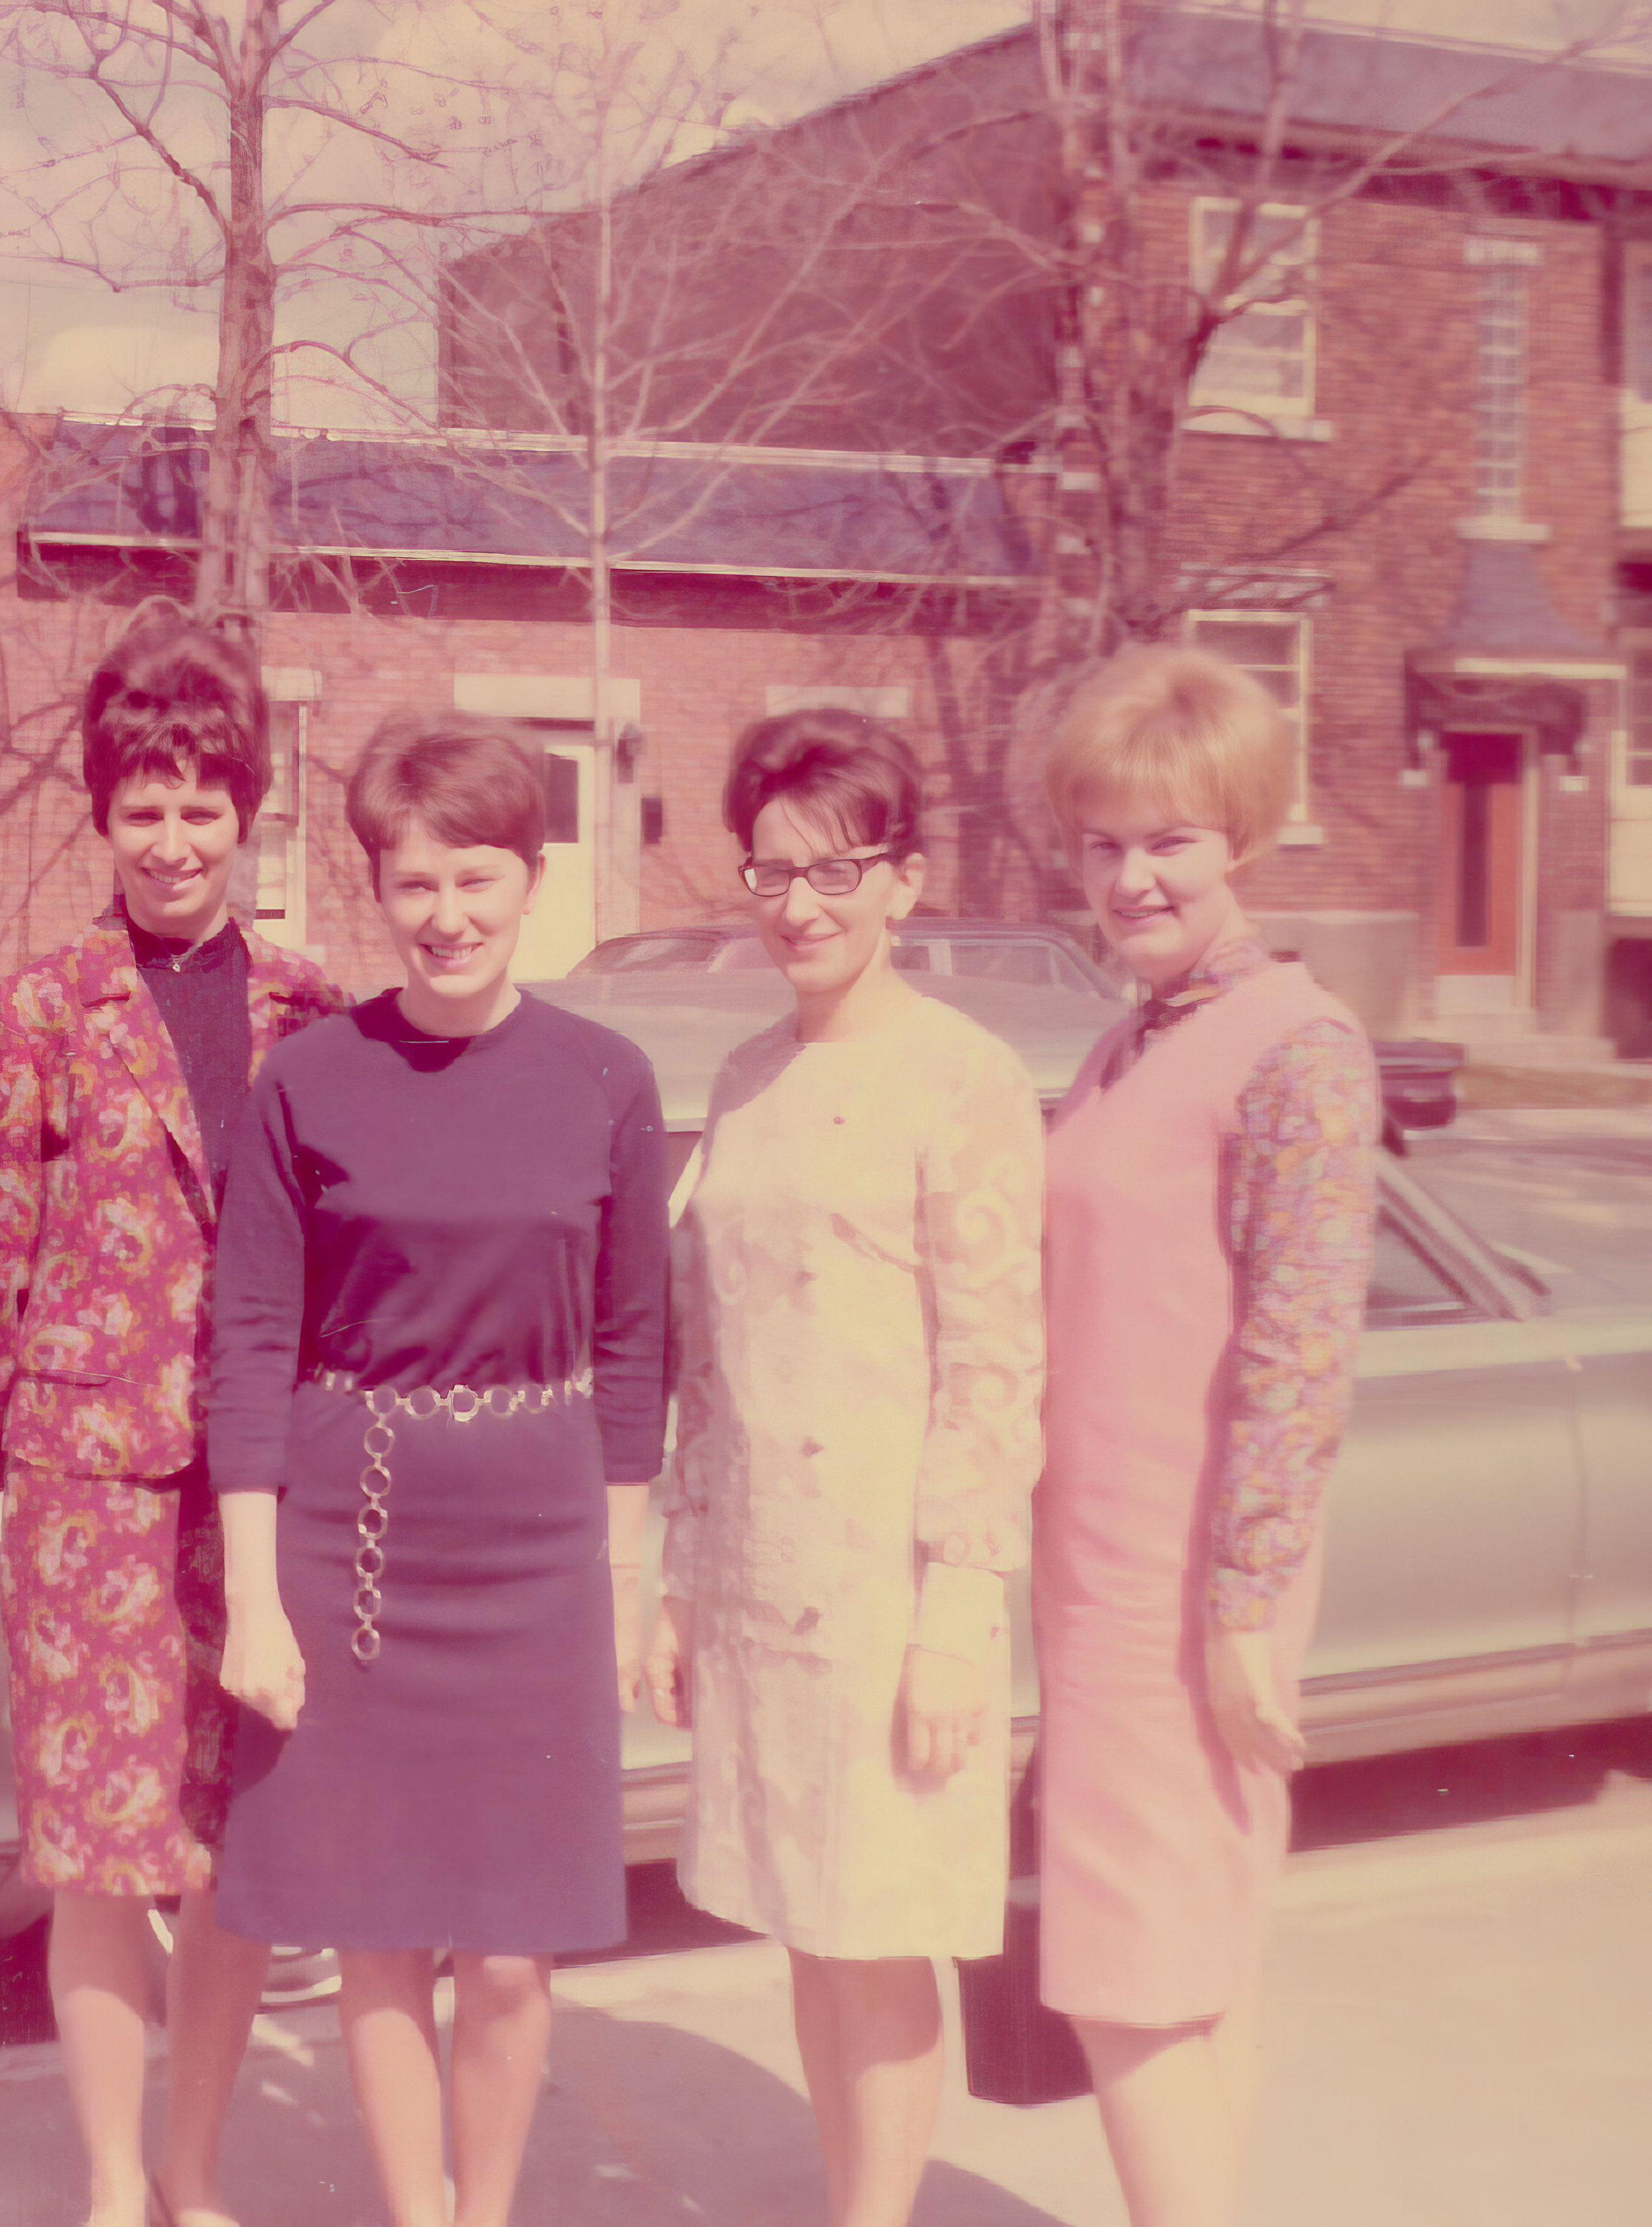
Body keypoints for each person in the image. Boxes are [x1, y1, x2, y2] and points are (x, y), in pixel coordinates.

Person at [203, 714, 671, 2227]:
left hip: (535, 1544)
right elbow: (253, 1341)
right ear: (374, 894)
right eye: (414, 886)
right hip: (355, 1535)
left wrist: (627, 1573)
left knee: (517, 1944)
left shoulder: (605, 1076)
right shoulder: (307, 1081)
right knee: (378, 1929)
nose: (448, 915)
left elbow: (633, 1350)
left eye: (477, 878)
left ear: (530, 877)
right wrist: (258, 1598)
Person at [0, 610, 346, 2227]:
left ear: (246, 811)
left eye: (201, 807)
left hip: (260, 1498)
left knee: (240, 1844)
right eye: (141, 809)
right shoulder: (31, 1020)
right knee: (103, 1855)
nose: (173, 841)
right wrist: (27, 1454)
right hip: (89, 1497)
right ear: (101, 819)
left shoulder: (313, 1012)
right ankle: (114, 2183)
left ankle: (195, 2166)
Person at [644, 709, 1045, 2227]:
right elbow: (705, 1355)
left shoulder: (965, 1078)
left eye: (834, 871)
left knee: (877, 1934)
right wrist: (679, 1581)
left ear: (902, 882)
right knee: (805, 1928)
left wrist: (957, 1613)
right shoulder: (743, 1076)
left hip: (891, 1593)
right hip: (758, 1575)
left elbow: (995, 1362)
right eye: (769, 873)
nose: (797, 906)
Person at [1036, 645, 1379, 2227]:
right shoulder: (1137, 1039)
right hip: (1108, 1576)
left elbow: (1299, 1354)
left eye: (1167, 839)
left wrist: (1242, 1609)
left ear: (1239, 835)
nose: (1131, 876)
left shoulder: (1293, 1046)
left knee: (1125, 1976)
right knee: (1191, 1970)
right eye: (1105, 841)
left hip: (1181, 1600)